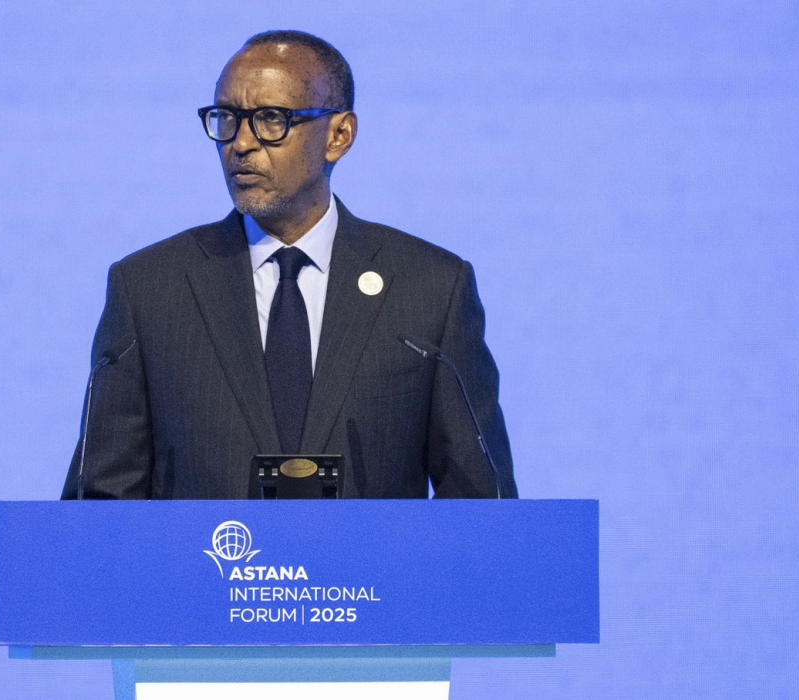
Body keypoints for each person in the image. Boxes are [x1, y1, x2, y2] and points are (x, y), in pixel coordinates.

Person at [61, 30, 517, 500]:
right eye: (227, 118)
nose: (240, 144)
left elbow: (481, 501)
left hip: (367, 575)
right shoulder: (150, 290)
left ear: (339, 136)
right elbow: (101, 503)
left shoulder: (430, 290)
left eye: (271, 119)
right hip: (204, 571)